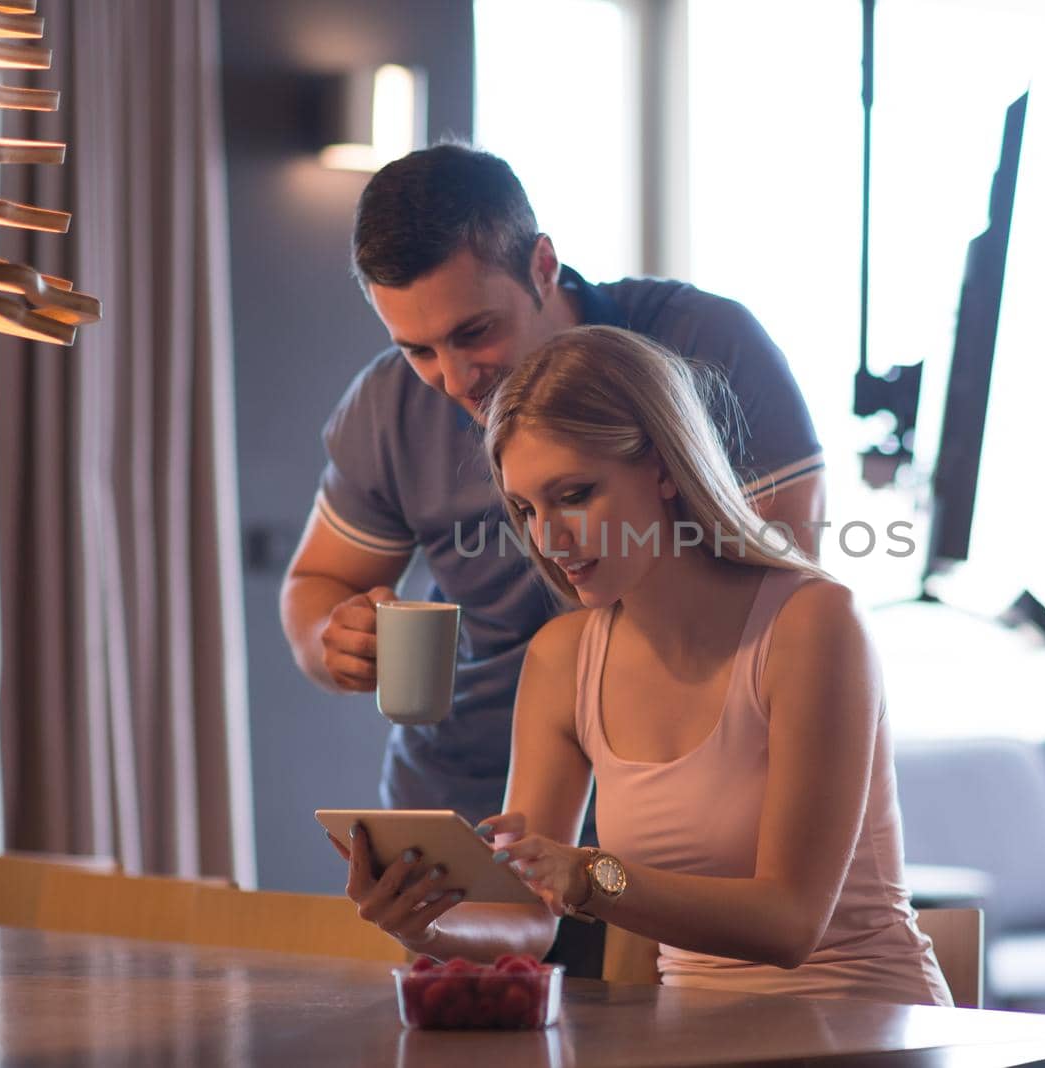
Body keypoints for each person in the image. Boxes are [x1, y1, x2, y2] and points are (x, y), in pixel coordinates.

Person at [332, 326, 951, 1006]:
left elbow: (790, 923)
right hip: (693, 1040)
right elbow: (528, 921)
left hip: (866, 1027)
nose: (549, 538)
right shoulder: (563, 658)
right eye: (525, 508)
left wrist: (591, 876)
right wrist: (428, 928)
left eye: (574, 495)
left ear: (663, 468)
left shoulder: (814, 625)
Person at [281, 144, 825, 827]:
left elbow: (784, 585)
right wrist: (336, 641)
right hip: (464, 806)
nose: (452, 381)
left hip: (674, 801)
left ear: (542, 266)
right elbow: (316, 586)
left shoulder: (706, 344)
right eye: (417, 350)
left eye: (474, 332)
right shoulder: (388, 407)